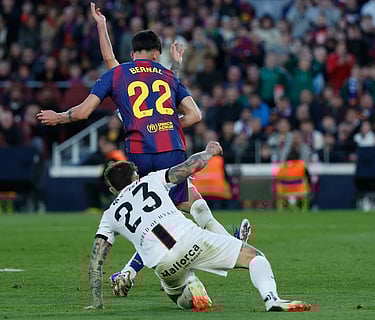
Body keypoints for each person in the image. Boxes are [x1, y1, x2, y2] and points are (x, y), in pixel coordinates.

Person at [38, 3, 251, 297]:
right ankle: (229, 244)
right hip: (172, 150)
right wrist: (166, 118)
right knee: (191, 206)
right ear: (156, 53)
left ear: (132, 53)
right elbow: (194, 115)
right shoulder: (166, 73)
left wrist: (59, 116)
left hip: (139, 154)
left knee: (153, 215)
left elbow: (86, 108)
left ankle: (129, 272)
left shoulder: (118, 73)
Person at [85, 141, 311, 312]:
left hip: (163, 265)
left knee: (180, 298)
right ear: (136, 176)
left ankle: (191, 286)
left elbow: (96, 261)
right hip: (190, 239)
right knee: (254, 256)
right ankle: (272, 299)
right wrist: (209, 152)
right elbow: (188, 167)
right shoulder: (150, 180)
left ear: (113, 190)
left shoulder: (109, 215)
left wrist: (97, 300)